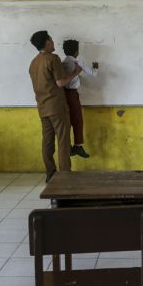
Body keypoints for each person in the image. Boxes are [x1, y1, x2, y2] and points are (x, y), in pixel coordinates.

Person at [29, 31, 81, 183]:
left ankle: (50, 173)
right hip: (57, 107)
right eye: (51, 40)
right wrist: (75, 73)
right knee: (63, 140)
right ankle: (65, 174)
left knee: (47, 140)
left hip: (42, 107)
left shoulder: (34, 62)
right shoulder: (53, 58)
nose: (53, 42)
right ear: (46, 43)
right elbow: (60, 82)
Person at [61, 39, 99, 158]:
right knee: (77, 120)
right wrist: (96, 67)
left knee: (67, 121)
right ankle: (77, 146)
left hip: (62, 95)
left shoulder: (62, 63)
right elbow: (93, 73)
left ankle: (67, 147)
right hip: (72, 95)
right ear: (77, 51)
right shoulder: (78, 62)